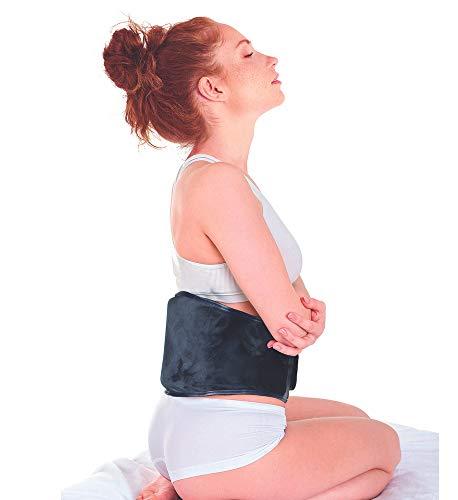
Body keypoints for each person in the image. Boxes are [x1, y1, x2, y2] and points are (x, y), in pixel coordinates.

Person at [102, 15, 401, 500]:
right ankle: (208, 488)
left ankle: (190, 483)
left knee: (357, 420)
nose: (270, 58)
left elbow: (286, 302)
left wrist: (303, 315)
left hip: (198, 427)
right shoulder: (217, 184)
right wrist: (302, 320)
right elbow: (288, 324)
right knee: (385, 449)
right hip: (221, 439)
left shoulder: (219, 177)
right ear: (212, 88)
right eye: (247, 53)